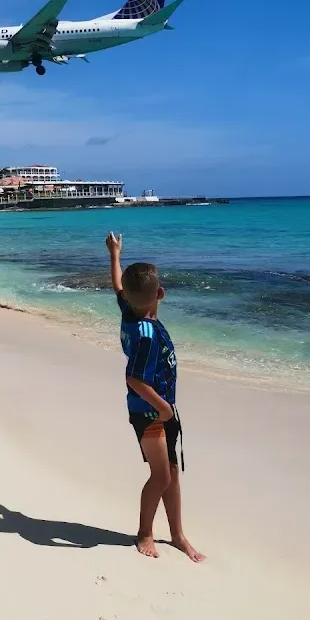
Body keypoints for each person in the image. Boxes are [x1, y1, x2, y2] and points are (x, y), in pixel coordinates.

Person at [106, 232, 204, 563]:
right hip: (149, 412)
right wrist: (163, 408)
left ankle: (177, 535)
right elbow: (134, 378)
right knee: (161, 476)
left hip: (162, 409)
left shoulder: (130, 309)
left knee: (172, 473)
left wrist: (115, 254)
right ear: (160, 294)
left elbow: (118, 286)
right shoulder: (145, 335)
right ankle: (145, 533)